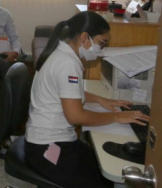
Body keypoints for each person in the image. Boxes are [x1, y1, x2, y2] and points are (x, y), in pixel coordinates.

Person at [25, 11, 150, 188]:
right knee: (100, 181)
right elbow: (75, 117)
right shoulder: (67, 63)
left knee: (99, 167)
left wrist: (101, 100)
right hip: (46, 146)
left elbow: (67, 92)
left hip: (48, 138)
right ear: (84, 37)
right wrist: (116, 117)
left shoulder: (61, 51)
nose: (102, 48)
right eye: (102, 42)